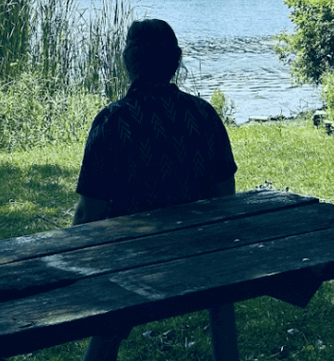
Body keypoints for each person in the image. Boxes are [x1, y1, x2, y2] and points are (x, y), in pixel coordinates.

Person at [73, 18, 236, 225]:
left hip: (130, 250)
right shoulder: (203, 114)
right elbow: (226, 193)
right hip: (199, 241)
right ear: (176, 61)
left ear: (128, 61)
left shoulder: (113, 121)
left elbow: (89, 213)